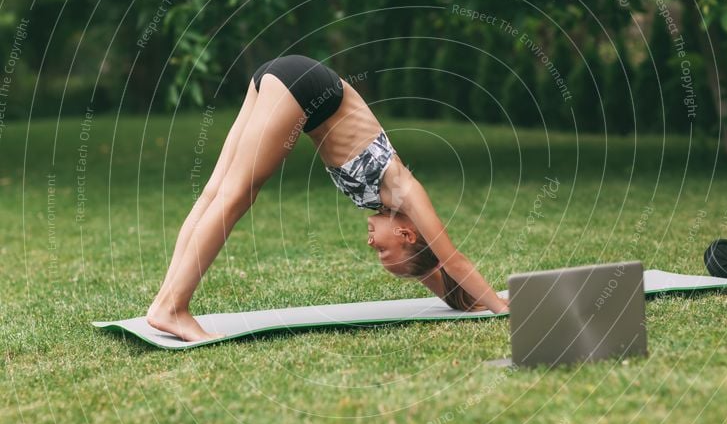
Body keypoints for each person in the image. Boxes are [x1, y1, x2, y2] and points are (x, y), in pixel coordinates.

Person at [146, 55, 509, 342]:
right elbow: (453, 260)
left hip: (283, 79)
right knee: (239, 193)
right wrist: (500, 308)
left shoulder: (391, 212)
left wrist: (467, 301)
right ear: (406, 234)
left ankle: (165, 302)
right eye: (382, 250)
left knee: (216, 190)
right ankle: (174, 307)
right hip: (304, 86)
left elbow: (429, 266)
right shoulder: (405, 191)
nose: (370, 244)